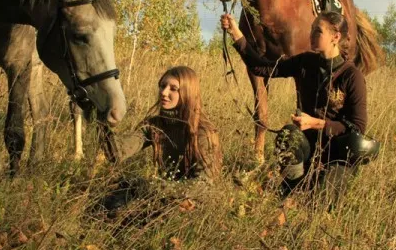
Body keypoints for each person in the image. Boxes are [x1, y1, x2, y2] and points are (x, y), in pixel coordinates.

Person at [220, 11, 371, 196]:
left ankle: (312, 186)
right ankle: (291, 188)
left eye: (318, 31)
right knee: (288, 135)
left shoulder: (352, 76)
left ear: (335, 37)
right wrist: (236, 33)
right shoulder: (305, 62)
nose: (311, 34)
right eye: (312, 29)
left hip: (338, 153)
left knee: (322, 199)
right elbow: (262, 67)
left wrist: (315, 123)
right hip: (307, 147)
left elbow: (358, 128)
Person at [113, 65, 222, 183]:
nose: (164, 92)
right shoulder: (154, 125)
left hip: (189, 198)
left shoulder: (203, 131)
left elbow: (203, 183)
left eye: (173, 89)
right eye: (162, 86)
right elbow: (119, 150)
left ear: (187, 93)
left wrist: (162, 191)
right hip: (161, 193)